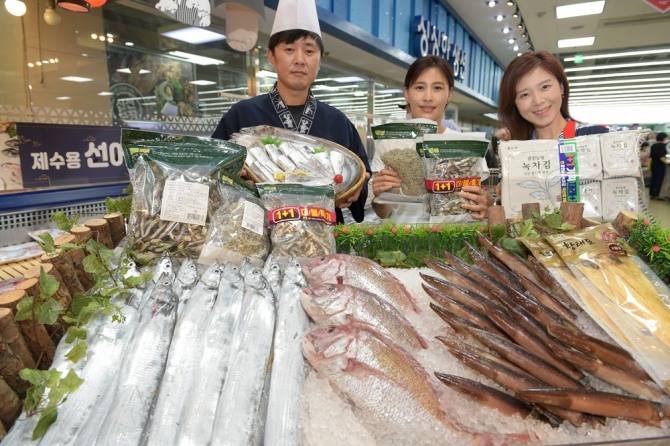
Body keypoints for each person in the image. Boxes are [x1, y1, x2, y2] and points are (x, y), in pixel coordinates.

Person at [211, 0, 371, 223]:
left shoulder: (338, 121)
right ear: (271, 57)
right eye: (289, 49)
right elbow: (212, 177)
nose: (299, 60)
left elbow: (361, 177)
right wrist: (236, 181)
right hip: (256, 234)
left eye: (309, 51)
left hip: (324, 237)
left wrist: (357, 188)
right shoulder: (241, 115)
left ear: (319, 59)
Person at [370, 55, 491, 220]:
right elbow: (384, 213)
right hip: (404, 241)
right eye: (420, 87)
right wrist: (379, 195)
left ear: (449, 95)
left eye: (437, 88)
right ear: (407, 93)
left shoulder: (466, 146)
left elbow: (480, 203)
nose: (428, 97)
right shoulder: (389, 145)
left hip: (453, 241)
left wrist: (485, 203)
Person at [649, 132, 668, 200]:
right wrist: (666, 162)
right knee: (659, 180)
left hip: (653, 164)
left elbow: (651, 156)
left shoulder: (653, 145)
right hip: (660, 165)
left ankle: (651, 194)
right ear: (663, 138)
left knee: (653, 179)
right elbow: (661, 157)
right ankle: (656, 194)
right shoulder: (662, 146)